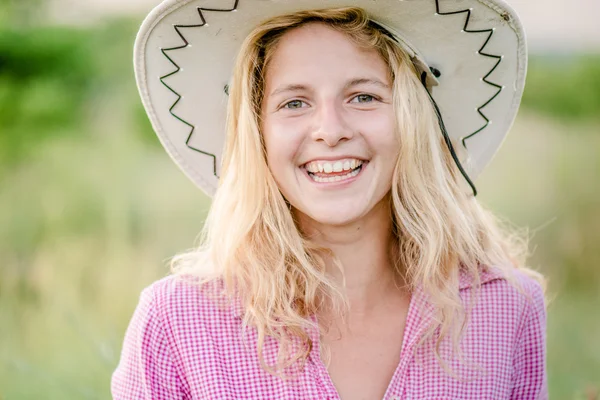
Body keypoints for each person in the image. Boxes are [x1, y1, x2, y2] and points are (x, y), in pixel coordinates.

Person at [112, 1, 547, 399]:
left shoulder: (506, 307)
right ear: (258, 135)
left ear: (411, 119)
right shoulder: (177, 321)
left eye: (363, 96)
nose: (330, 129)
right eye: (295, 102)